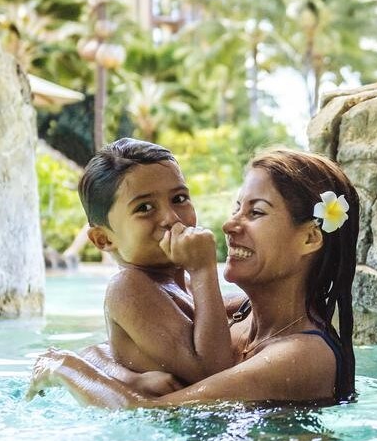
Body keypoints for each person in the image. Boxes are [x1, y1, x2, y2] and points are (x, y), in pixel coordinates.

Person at [26, 148, 359, 408]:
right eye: (237, 207)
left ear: (310, 239)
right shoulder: (240, 313)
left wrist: (62, 368)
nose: (229, 226)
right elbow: (115, 344)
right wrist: (123, 373)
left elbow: (145, 411)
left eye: (255, 212)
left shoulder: (301, 355)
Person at [66, 138, 235, 395]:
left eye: (179, 198)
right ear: (103, 238)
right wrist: (203, 270)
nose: (171, 218)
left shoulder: (183, 287)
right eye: (144, 208)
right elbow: (214, 374)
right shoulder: (128, 286)